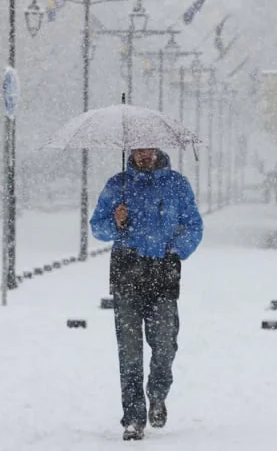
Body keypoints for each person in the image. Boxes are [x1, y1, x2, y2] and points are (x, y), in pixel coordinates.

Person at [90, 148, 203, 441]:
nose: (143, 155)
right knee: (129, 353)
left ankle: (157, 394)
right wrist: (116, 221)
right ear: (131, 150)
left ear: (157, 150)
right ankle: (133, 417)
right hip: (127, 274)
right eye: (138, 149)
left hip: (163, 275)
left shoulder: (177, 184)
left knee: (165, 346)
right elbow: (97, 228)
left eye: (148, 149)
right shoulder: (118, 185)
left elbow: (194, 226)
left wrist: (174, 250)